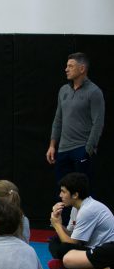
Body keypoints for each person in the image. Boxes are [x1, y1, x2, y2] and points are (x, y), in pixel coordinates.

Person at [46, 53, 104, 188]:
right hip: (62, 150)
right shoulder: (63, 90)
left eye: (70, 66)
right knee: (64, 192)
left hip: (81, 149)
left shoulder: (94, 92)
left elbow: (98, 122)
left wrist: (88, 149)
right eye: (67, 66)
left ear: (82, 69)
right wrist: (52, 146)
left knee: (82, 192)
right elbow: (58, 119)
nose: (66, 69)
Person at [47, 172, 114, 269]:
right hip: (89, 247)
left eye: (63, 192)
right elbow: (70, 234)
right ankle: (72, 263)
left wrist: (56, 225)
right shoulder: (76, 208)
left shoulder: (87, 210)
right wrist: (58, 223)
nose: (60, 195)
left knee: (64, 247)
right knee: (54, 241)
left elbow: (72, 243)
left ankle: (72, 264)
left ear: (75, 195)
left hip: (103, 251)